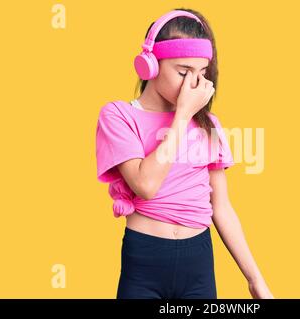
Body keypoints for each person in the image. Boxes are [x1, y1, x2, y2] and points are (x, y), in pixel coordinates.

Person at [95, 8, 274, 299]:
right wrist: (182, 116)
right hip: (145, 259)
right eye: (183, 72)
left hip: (198, 261)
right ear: (150, 66)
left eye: (201, 73)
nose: (193, 84)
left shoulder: (208, 125)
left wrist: (256, 281)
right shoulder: (118, 116)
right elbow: (146, 185)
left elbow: (222, 207)